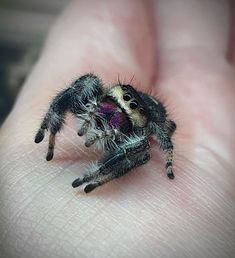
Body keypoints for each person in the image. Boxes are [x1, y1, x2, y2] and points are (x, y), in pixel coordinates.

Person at [0, 1, 234, 257]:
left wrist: (165, 160)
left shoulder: (143, 131)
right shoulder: (98, 100)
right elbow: (77, 89)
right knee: (86, 81)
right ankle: (53, 133)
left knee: (142, 150)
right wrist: (49, 130)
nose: (104, 121)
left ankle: (101, 174)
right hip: (119, 100)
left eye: (110, 118)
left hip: (144, 119)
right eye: (104, 112)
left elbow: (165, 135)